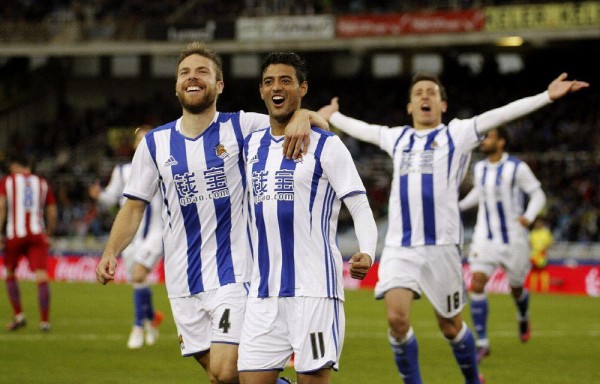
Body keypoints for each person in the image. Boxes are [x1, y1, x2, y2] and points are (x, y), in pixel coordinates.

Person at [317, 72, 589, 384]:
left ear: (442, 104)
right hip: (399, 247)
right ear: (409, 106)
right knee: (396, 318)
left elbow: (501, 113)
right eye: (418, 92)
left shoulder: (457, 134)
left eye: (431, 92)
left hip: (442, 248)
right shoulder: (397, 137)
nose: (424, 97)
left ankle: (473, 378)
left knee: (450, 326)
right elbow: (364, 130)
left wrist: (546, 95)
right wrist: (334, 114)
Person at [95, 41, 326, 384]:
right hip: (182, 280)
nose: (193, 77)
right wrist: (111, 251)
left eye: (203, 71)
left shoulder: (242, 127)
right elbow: (133, 206)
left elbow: (315, 126)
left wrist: (305, 115)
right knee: (222, 377)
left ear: (218, 85)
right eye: (185, 72)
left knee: (225, 368)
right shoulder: (154, 144)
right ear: (177, 86)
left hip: (235, 273)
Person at [237, 52, 377, 384]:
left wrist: (368, 250)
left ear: (302, 88)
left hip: (315, 290)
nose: (277, 87)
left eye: (286, 80)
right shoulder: (250, 144)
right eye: (269, 81)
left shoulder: (328, 146)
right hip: (264, 292)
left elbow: (359, 205)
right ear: (260, 91)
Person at [458, 127, 547, 363]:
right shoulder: (479, 168)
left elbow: (538, 194)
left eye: (489, 137)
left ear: (501, 142)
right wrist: (458, 206)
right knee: (477, 283)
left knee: (517, 287)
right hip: (484, 238)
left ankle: (523, 314)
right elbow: (479, 193)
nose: (483, 141)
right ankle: (482, 341)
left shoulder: (517, 168)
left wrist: (528, 216)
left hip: (514, 239)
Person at [89, 124, 165, 349]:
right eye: (140, 139)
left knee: (140, 275)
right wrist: (98, 196)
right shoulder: (122, 171)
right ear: (134, 145)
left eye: (147, 139)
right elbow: (111, 199)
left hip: (155, 233)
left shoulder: (166, 166)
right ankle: (152, 320)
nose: (143, 143)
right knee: (138, 280)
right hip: (130, 236)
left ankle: (137, 327)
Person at [0, 154, 57, 332]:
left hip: (15, 234)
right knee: (41, 276)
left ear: (16, 166)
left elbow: (1, 208)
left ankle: (19, 315)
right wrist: (48, 233)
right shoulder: (42, 183)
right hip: (37, 234)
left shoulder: (8, 181)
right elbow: (52, 212)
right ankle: (44, 322)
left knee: (9, 273)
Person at [528, 216, 554, 292]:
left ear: (542, 223)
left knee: (543, 271)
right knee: (534, 271)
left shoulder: (546, 232)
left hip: (542, 255)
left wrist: (545, 249)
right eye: (536, 223)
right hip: (534, 255)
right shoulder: (532, 233)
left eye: (539, 223)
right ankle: (533, 288)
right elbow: (529, 244)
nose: (537, 224)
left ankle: (544, 289)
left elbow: (550, 243)